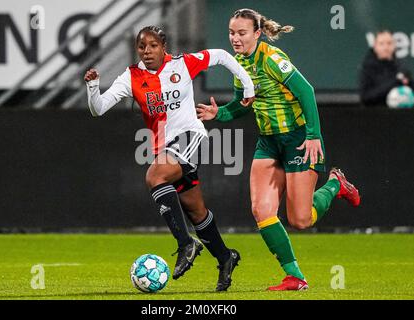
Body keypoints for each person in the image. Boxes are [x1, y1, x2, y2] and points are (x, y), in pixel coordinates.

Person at [197, 8, 361, 291]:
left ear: (257, 34)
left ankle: (336, 184)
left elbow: (306, 91)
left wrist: (313, 136)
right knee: (261, 210)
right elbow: (242, 103)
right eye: (231, 33)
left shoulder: (272, 59)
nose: (235, 38)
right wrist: (220, 114)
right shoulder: (239, 63)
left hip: (297, 139)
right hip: (269, 142)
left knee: (301, 219)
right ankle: (295, 277)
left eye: (241, 33)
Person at [84, 25, 255, 291]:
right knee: (196, 212)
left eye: (153, 45)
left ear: (163, 45)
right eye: (142, 46)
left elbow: (221, 55)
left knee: (154, 176)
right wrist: (93, 86)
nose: (147, 51)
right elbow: (98, 108)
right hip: (165, 148)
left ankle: (186, 243)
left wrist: (247, 86)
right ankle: (226, 257)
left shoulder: (182, 64)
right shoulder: (131, 77)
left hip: (190, 137)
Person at [360, 30, 413, 106]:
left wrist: (409, 82)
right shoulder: (367, 68)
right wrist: (395, 82)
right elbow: (365, 98)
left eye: (389, 43)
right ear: (375, 46)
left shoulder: (401, 68)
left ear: (394, 46)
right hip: (375, 114)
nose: (386, 47)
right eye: (381, 44)